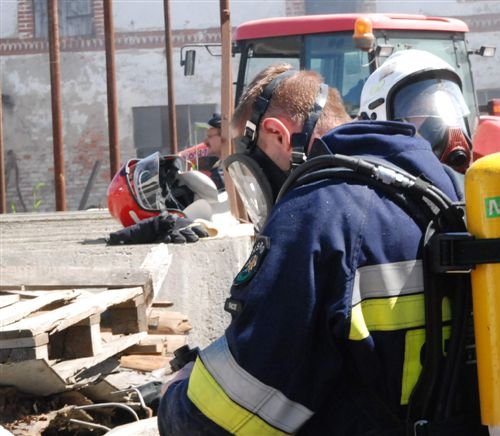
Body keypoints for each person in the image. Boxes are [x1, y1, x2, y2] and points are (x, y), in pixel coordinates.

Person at [157, 64, 466, 435]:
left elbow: (229, 419)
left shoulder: (314, 215)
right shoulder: (446, 187)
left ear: (277, 134)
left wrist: (176, 397)